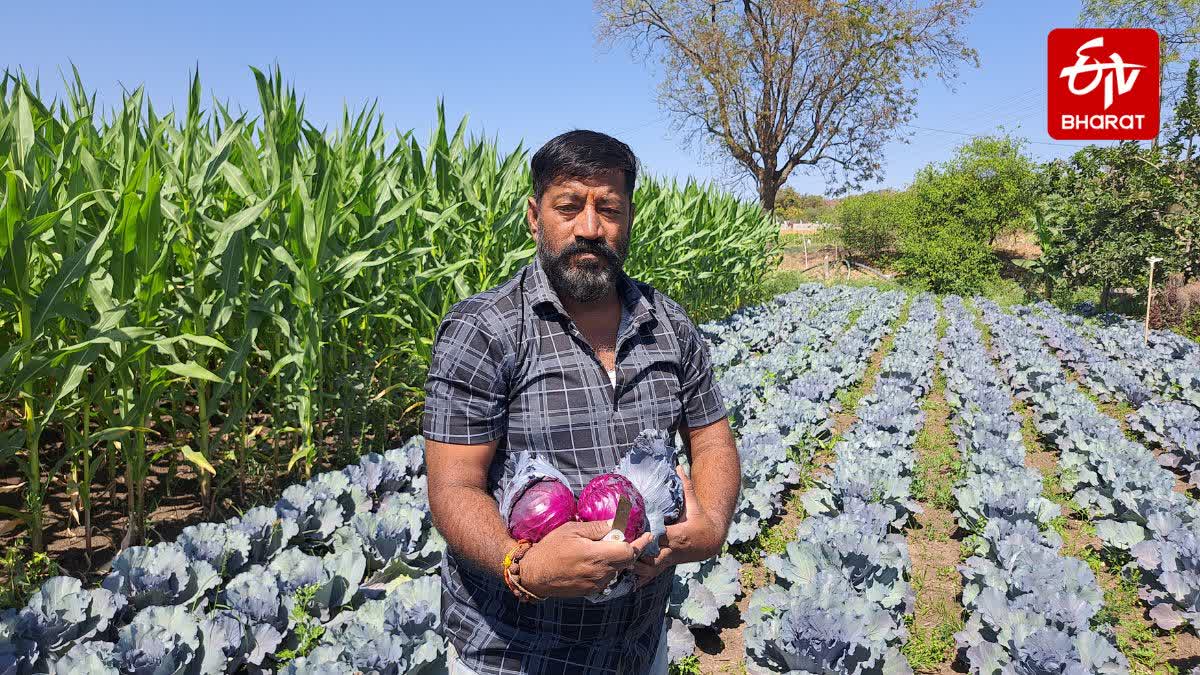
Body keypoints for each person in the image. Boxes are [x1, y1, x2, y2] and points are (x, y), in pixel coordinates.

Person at [422, 129, 740, 674]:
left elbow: (711, 437)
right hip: (512, 653)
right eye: (568, 207)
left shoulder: (669, 323)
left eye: (608, 209)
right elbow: (453, 486)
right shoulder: (484, 330)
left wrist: (711, 525)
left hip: (638, 648)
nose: (589, 228)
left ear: (629, 218)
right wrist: (519, 565)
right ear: (534, 215)